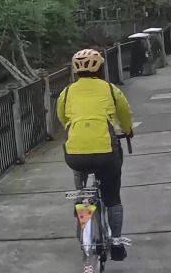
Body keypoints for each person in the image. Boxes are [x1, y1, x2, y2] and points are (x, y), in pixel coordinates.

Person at [56, 48, 134, 261]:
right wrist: (127, 130)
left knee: (79, 170)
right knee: (112, 197)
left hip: (76, 154)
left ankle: (81, 197)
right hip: (106, 153)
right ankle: (116, 242)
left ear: (75, 70)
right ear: (101, 68)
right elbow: (125, 113)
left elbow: (62, 117)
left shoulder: (67, 92)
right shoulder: (110, 89)